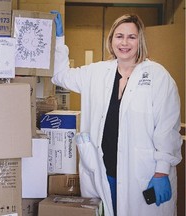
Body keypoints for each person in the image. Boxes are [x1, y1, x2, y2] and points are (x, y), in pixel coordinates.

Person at [50, 11, 183, 216]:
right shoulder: (97, 73)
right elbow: (60, 76)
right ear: (111, 40)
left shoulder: (158, 77)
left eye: (132, 37)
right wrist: (59, 39)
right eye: (119, 36)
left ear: (140, 41)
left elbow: (167, 127)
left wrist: (161, 171)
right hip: (104, 174)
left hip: (142, 174)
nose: (125, 43)